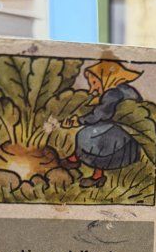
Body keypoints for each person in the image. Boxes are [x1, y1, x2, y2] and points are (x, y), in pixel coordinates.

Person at [60, 60, 145, 188]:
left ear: (106, 78)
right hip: (129, 137)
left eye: (94, 83)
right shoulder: (124, 89)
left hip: (122, 138)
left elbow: (100, 115)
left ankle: (93, 173)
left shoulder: (113, 94)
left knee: (87, 135)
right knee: (96, 134)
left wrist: (78, 121)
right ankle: (78, 161)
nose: (93, 88)